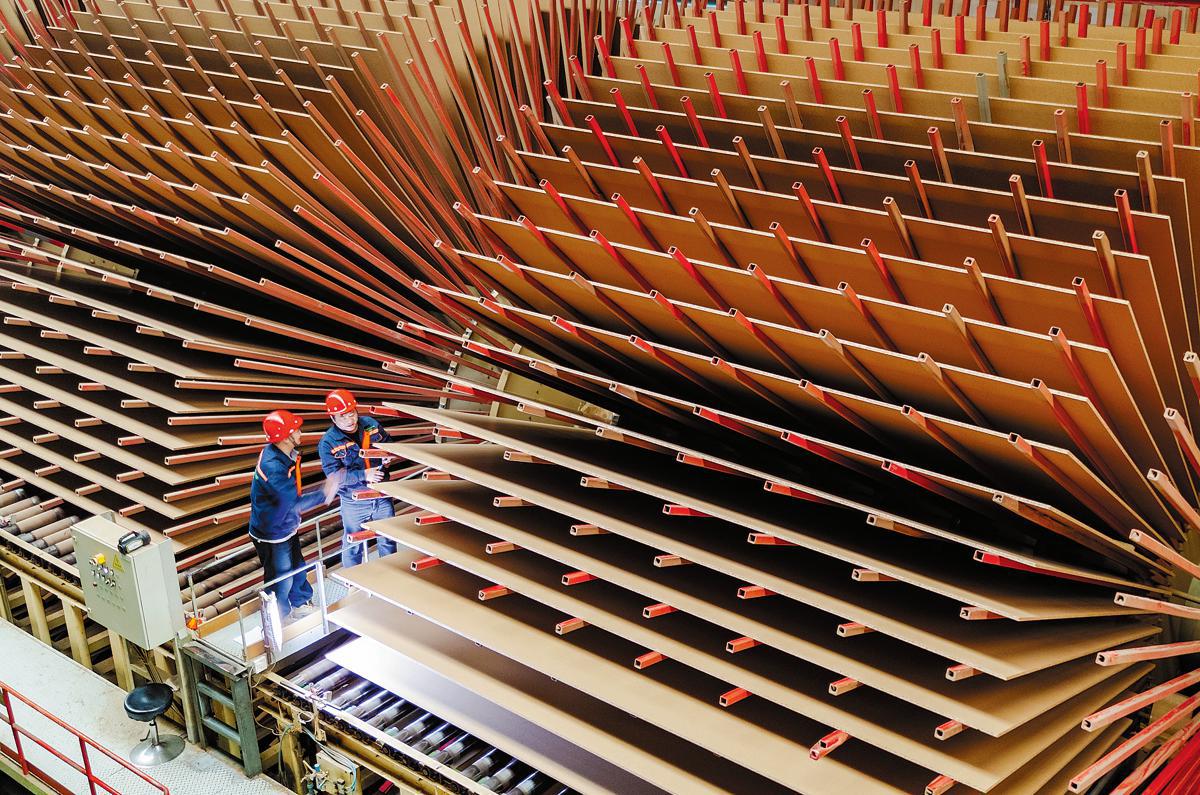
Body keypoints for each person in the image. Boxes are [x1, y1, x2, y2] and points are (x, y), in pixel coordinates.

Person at [249, 409, 332, 623]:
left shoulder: (282, 455)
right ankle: (278, 618)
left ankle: (301, 603)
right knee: (280, 578)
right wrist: (325, 493)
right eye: (297, 430)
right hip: (272, 534)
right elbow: (293, 503)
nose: (301, 432)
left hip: (285, 527)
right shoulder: (273, 467)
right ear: (286, 437)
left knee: (297, 567)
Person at [318, 388, 399, 568]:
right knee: (353, 544)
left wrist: (388, 455)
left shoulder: (370, 424)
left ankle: (391, 574)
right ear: (332, 418)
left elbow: (388, 443)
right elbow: (334, 476)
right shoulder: (328, 443)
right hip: (354, 502)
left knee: (388, 538)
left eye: (352, 414)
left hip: (381, 494)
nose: (350, 420)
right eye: (343, 417)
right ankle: (352, 582)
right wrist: (364, 474)